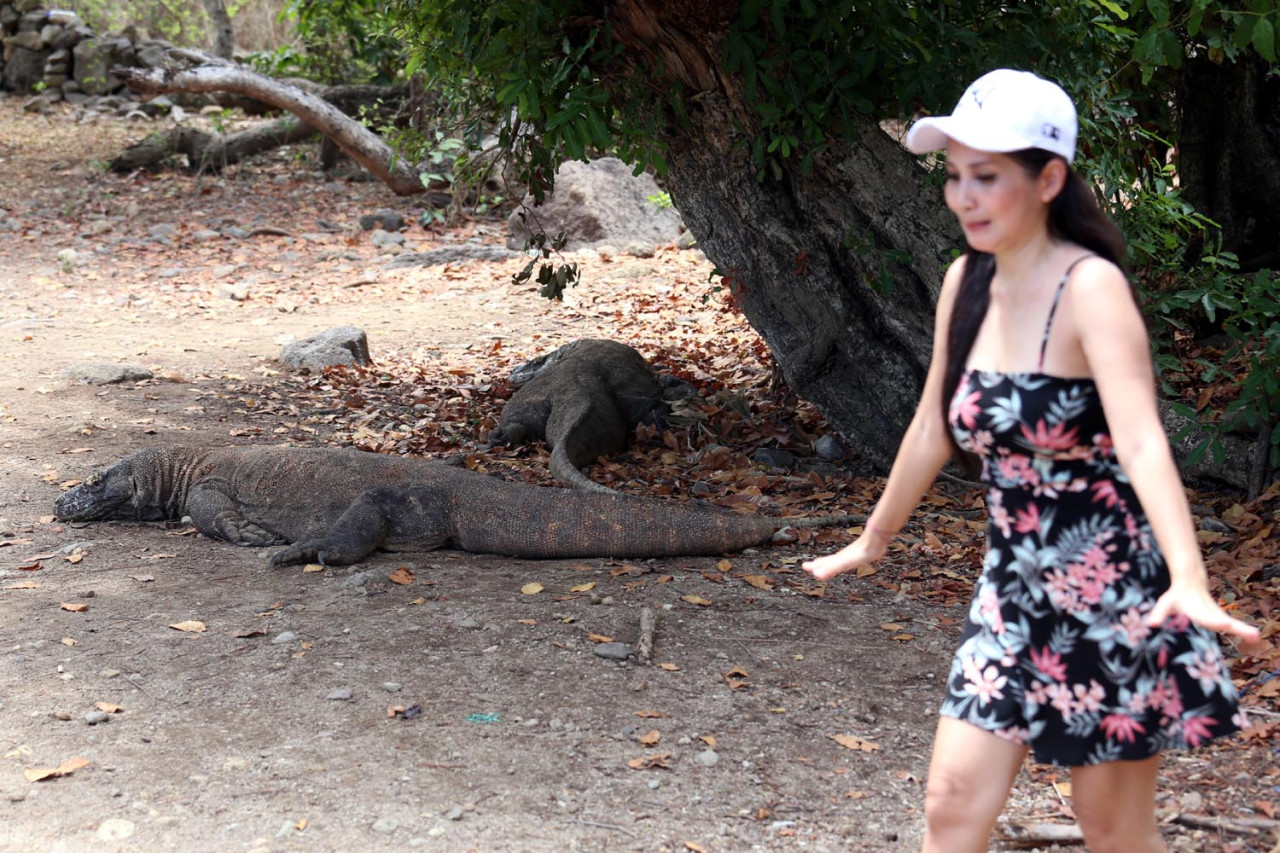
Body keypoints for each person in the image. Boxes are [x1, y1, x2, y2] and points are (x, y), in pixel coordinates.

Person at [802, 68, 1260, 853]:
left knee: (1113, 829)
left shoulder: (1092, 289)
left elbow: (1144, 438)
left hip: (1111, 596)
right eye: (954, 177)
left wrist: (1189, 577)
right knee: (950, 804)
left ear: (1049, 178)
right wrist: (872, 538)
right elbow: (930, 428)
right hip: (1009, 594)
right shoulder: (964, 282)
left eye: (986, 177)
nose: (964, 197)